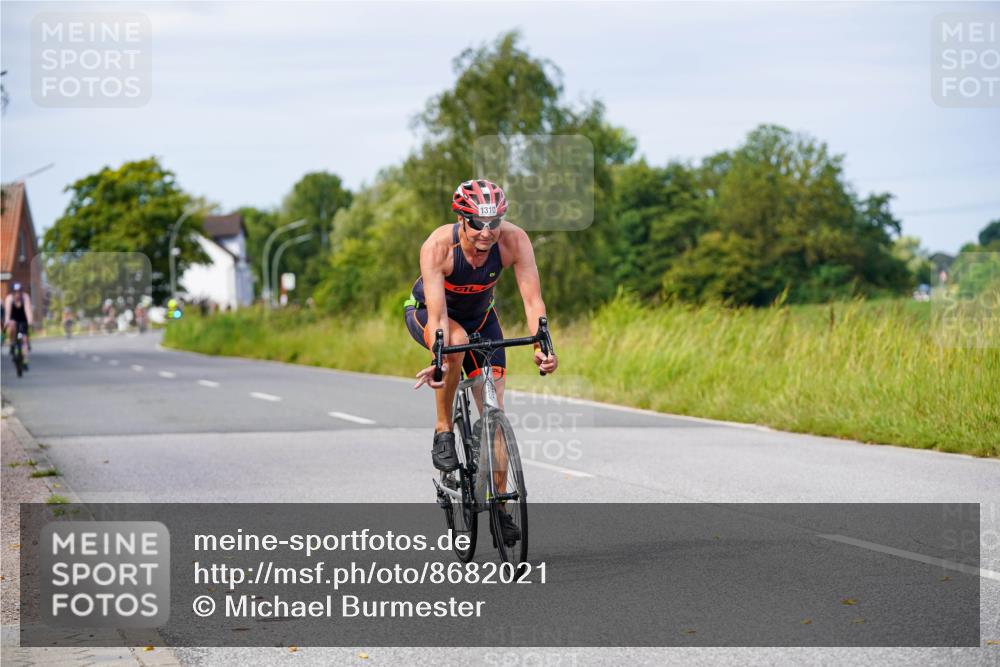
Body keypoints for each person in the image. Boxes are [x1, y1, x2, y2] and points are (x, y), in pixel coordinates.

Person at [406, 179, 558, 540]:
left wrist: (543, 345)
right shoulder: (438, 247)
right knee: (456, 341)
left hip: (481, 318)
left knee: (495, 412)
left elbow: (533, 300)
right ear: (461, 219)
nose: (487, 232)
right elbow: (439, 318)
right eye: (478, 223)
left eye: (495, 222)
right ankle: (443, 429)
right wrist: (440, 359)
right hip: (431, 314)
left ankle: (500, 507)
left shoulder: (514, 241)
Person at [3, 283, 33, 370]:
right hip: (13, 318)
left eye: (19, 292)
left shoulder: (25, 297)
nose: (17, 294)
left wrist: (30, 321)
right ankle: (12, 343)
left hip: (23, 319)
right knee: (11, 326)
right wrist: (7, 322)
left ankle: (25, 361)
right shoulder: (9, 298)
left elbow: (28, 310)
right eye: (15, 292)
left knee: (24, 339)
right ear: (12, 292)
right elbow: (8, 313)